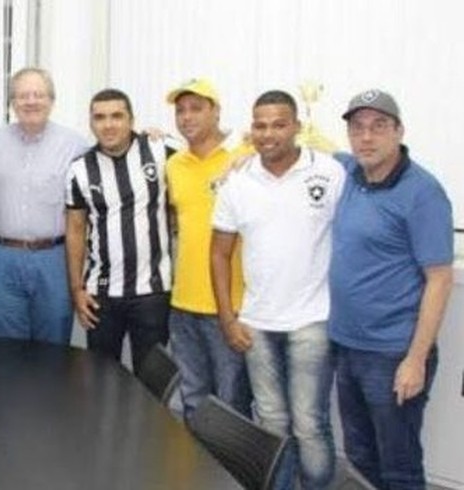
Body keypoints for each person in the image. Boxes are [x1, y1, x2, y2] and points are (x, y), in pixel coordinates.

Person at [211, 90, 343, 489]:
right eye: (260, 125)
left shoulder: (330, 172)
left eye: (279, 125)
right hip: (256, 323)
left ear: (297, 127)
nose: (268, 134)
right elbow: (219, 254)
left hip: (313, 320)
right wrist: (227, 318)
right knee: (271, 422)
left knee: (309, 423)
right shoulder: (236, 181)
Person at [329, 89, 453, 490]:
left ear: (399, 131)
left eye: (378, 126)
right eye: (357, 128)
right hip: (347, 347)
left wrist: (415, 360)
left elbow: (439, 279)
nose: (366, 137)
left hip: (392, 353)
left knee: (398, 466)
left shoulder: (423, 193)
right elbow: (301, 151)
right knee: (360, 457)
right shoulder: (347, 171)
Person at [64, 88, 172, 373]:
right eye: (99, 117)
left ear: (131, 120)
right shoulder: (79, 169)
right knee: (102, 379)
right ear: (91, 123)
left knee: (150, 381)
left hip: (153, 292)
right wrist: (76, 289)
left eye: (117, 116)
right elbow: (75, 230)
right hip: (101, 293)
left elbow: (203, 159)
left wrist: (243, 154)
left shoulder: (160, 150)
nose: (108, 124)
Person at [164, 79, 252, 424]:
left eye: (196, 108)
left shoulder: (244, 157)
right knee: (193, 401)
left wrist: (252, 147)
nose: (187, 117)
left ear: (216, 112)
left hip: (229, 306)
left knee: (231, 406)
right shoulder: (174, 164)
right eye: (180, 110)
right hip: (182, 304)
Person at [0, 67, 88, 345]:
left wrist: (146, 137)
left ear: (52, 101)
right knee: (5, 346)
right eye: (23, 95)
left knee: (53, 344)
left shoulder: (76, 145)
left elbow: (112, 158)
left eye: (39, 95)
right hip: (1, 258)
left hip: (53, 258)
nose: (31, 101)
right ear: (12, 102)